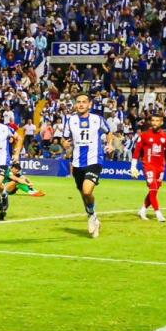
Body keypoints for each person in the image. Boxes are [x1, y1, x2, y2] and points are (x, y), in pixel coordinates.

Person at [61, 94, 112, 238]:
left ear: (90, 104)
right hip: (77, 162)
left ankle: (92, 216)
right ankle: (93, 216)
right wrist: (64, 144)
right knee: (84, 194)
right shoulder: (70, 120)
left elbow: (109, 133)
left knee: (87, 190)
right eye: (78, 102)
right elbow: (65, 140)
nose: (81, 104)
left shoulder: (97, 119)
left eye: (84, 102)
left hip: (95, 159)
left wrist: (109, 144)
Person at [131, 113, 166, 222]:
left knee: (154, 190)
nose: (154, 123)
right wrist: (133, 167)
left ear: (161, 122)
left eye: (157, 121)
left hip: (161, 167)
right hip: (148, 166)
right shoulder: (144, 135)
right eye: (153, 120)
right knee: (153, 188)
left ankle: (143, 210)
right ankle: (158, 213)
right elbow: (137, 152)